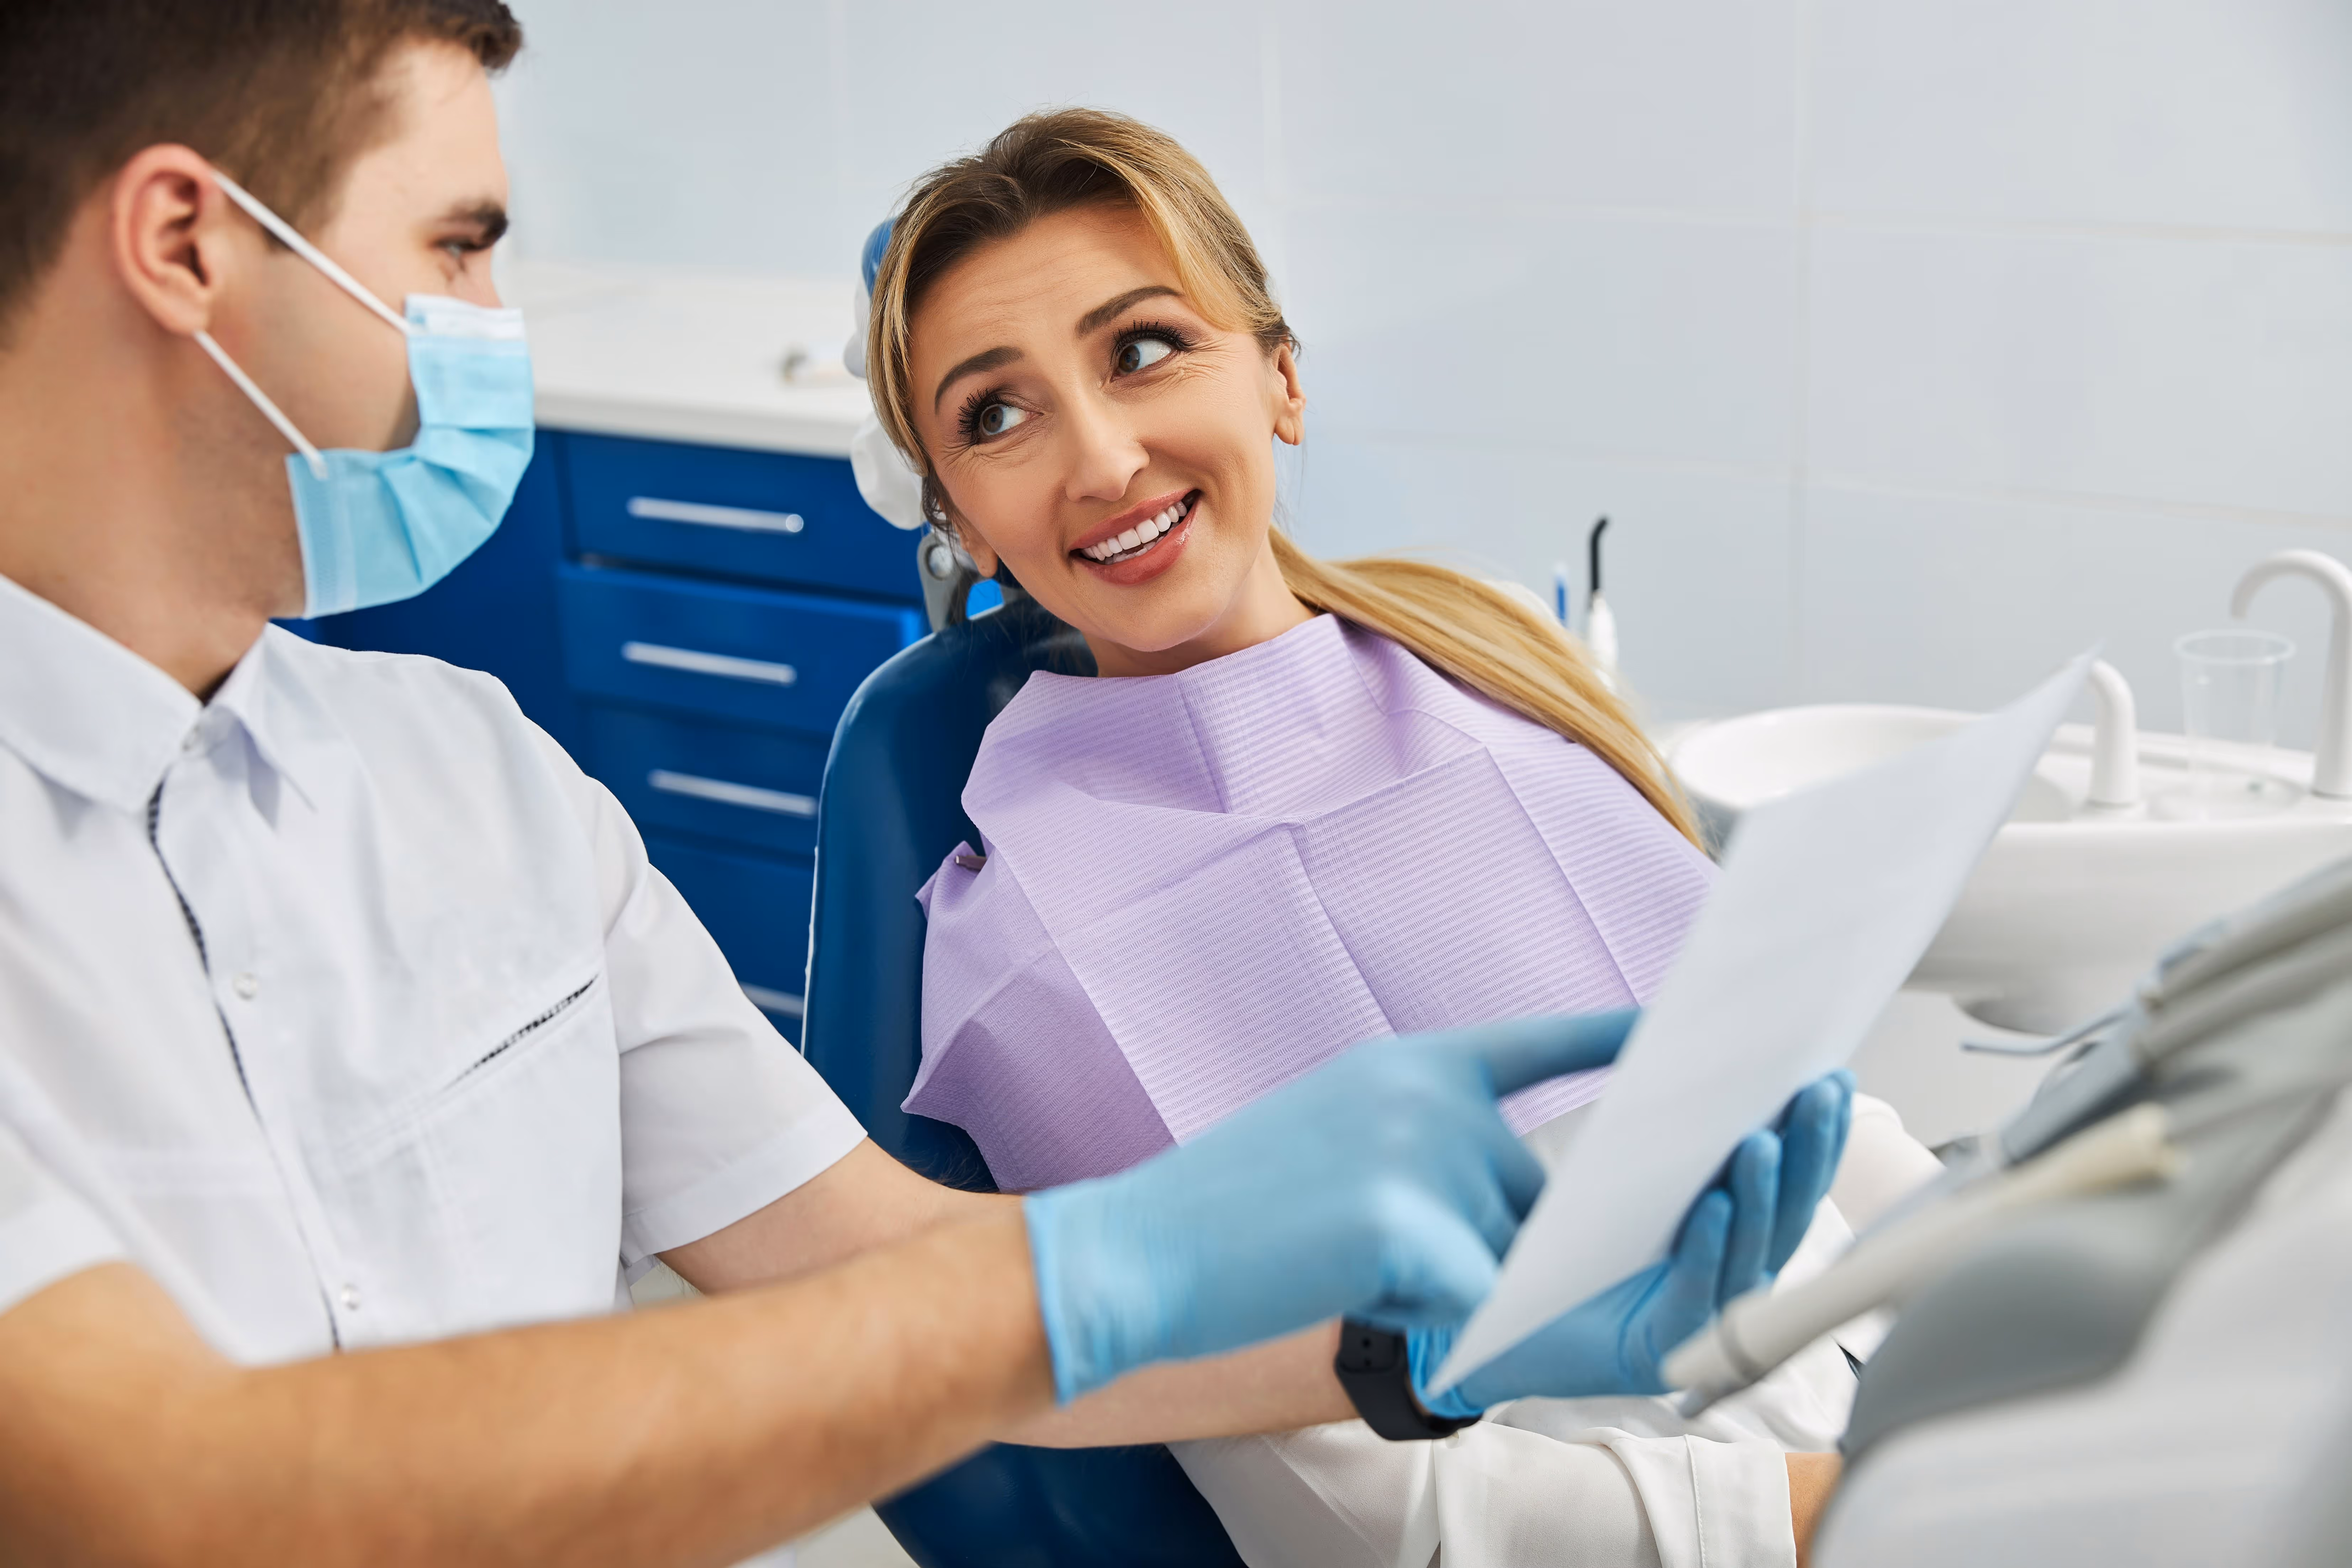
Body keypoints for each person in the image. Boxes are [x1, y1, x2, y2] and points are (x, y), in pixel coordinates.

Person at [0, 6, 1856, 1564]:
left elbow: (872, 1271)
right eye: (463, 248)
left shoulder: (485, 794)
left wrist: (1399, 1346)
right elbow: (158, 1485)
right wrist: (1115, 1264)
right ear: (187, 245)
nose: (501, 322)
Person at [860, 109, 1943, 1567]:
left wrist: (2036, 1282)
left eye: (1141, 348)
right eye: (995, 415)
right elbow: (1350, 1514)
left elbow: (1801, 1117)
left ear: (1281, 377)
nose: (1102, 458)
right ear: (964, 523)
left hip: (1918, 1405)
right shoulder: (1041, 945)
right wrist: (1850, 1516)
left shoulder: (1485, 663)